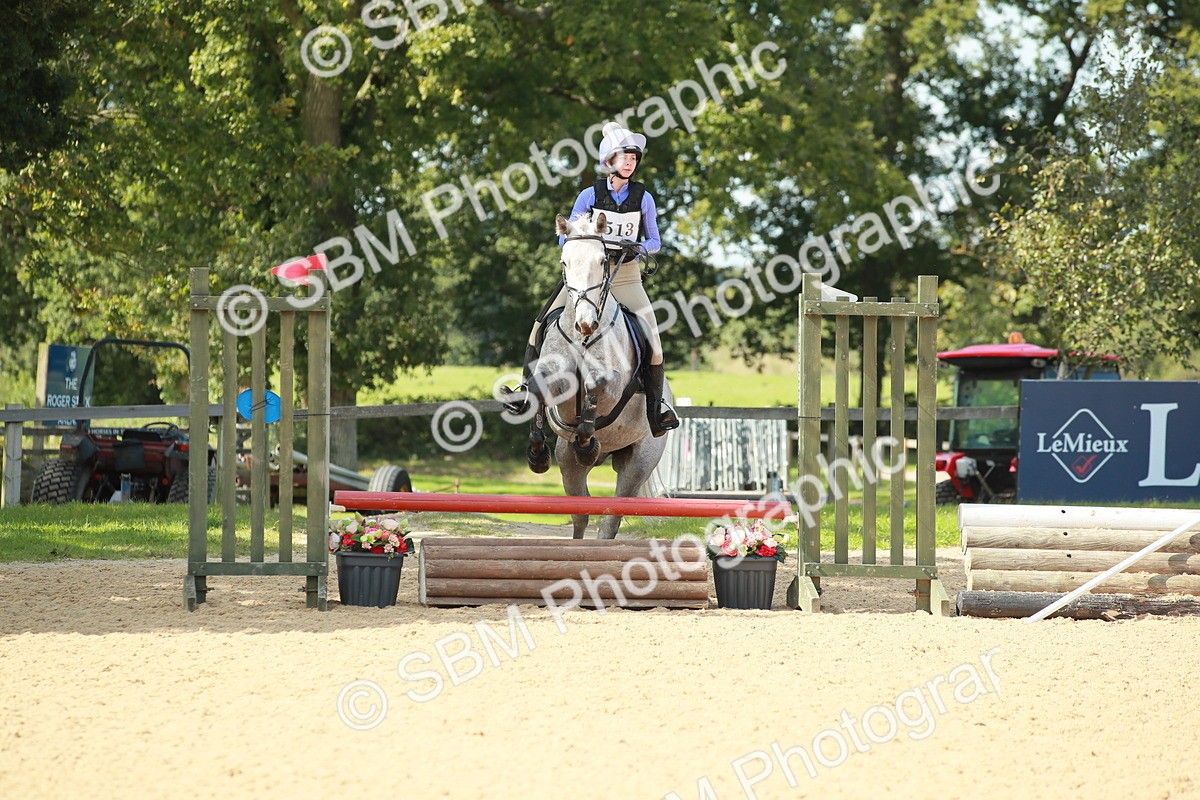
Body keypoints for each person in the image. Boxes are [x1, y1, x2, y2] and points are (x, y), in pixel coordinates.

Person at [501, 122, 679, 437]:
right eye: (625, 156)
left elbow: (655, 241)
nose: (630, 162)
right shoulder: (588, 195)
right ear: (610, 160)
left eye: (634, 158)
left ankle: (656, 409)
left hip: (624, 276)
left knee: (654, 341)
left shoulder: (644, 198)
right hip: (586, 278)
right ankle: (527, 391)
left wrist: (638, 247)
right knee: (540, 326)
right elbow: (564, 238)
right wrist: (583, 241)